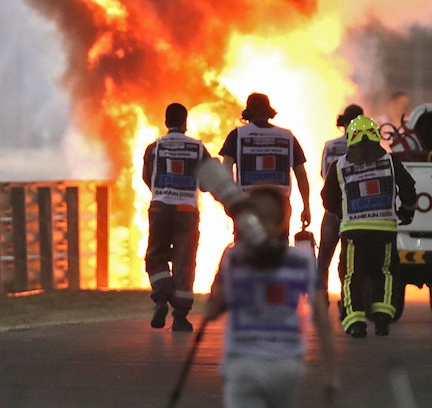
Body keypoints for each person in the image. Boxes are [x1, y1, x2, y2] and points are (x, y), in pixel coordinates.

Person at [205, 186, 338, 408]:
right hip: (286, 365)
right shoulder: (302, 260)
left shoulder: (234, 257)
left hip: (243, 363)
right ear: (282, 222)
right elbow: (322, 319)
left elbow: (213, 309)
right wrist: (332, 373)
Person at [321, 115, 418, 338]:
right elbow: (409, 189)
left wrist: (341, 213)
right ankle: (382, 319)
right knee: (385, 272)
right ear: (375, 136)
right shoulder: (390, 161)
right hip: (384, 229)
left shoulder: (339, 165)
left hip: (353, 232)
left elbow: (327, 200)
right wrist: (407, 211)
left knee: (352, 274)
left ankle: (355, 323)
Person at [141, 103, 210, 333]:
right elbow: (208, 183)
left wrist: (163, 192)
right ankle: (180, 317)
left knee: (156, 255)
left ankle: (161, 298)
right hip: (187, 211)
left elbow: (147, 177)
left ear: (165, 122)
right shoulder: (198, 149)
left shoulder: (154, 148)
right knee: (184, 262)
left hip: (160, 208)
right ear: (185, 122)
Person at [218, 93, 313, 232]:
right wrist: (306, 206)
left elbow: (225, 170)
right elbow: (301, 174)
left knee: (246, 250)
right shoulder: (287, 136)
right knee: (278, 250)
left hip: (247, 203)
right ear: (269, 112)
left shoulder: (236, 135)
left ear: (248, 113)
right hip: (280, 205)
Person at [317, 104, 363, 301]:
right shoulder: (367, 148)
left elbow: (323, 174)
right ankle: (348, 299)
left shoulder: (331, 146)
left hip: (333, 208)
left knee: (324, 257)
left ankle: (321, 298)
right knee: (351, 259)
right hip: (358, 209)